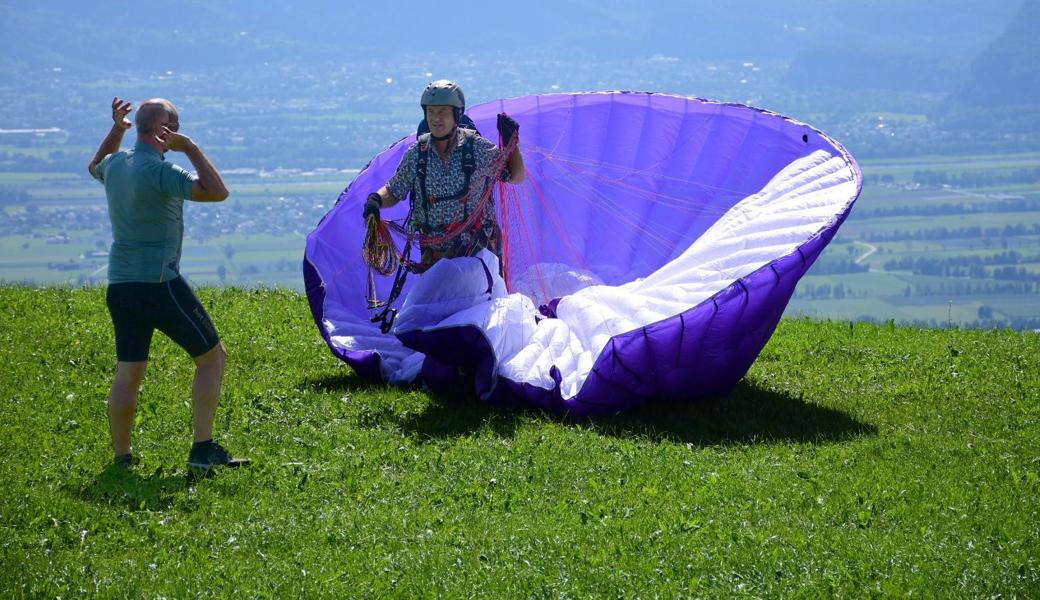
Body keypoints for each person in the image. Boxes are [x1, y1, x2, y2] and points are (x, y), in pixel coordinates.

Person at [88, 97, 248, 472]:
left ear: (136, 126)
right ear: (168, 131)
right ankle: (202, 450)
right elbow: (217, 191)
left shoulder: (116, 165)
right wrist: (190, 147)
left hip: (121, 285)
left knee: (129, 371)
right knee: (212, 358)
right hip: (159, 283)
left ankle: (122, 457)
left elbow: (94, 165)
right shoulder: (163, 172)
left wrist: (116, 130)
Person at [363, 80, 526, 268]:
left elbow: (516, 176)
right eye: (431, 112)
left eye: (442, 112)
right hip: (436, 259)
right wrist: (376, 199)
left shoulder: (476, 149)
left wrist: (513, 145)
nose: (435, 118)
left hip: (479, 257)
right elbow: (394, 190)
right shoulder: (417, 154)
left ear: (457, 114)